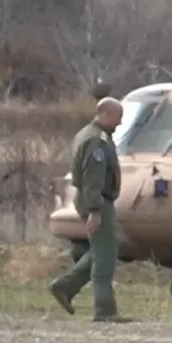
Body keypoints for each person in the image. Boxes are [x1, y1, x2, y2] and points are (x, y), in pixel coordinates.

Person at [49, 97, 126, 322]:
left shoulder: (90, 134)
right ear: (107, 114)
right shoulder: (96, 142)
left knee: (103, 248)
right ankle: (104, 309)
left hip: (93, 200)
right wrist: (95, 210)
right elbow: (93, 179)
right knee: (105, 256)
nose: (120, 123)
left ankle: (65, 287)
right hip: (97, 200)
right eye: (118, 118)